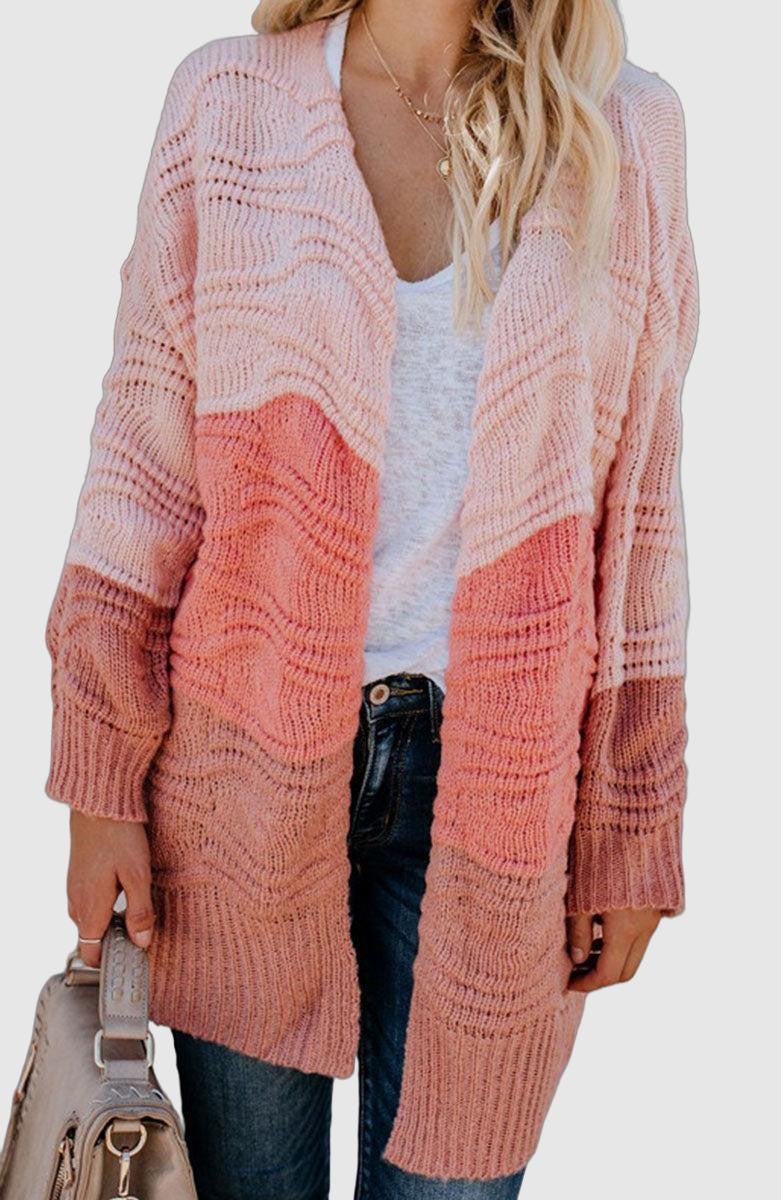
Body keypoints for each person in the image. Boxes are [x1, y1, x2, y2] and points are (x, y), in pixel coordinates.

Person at [47, 1, 699, 1196]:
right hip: (239, 777)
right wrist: (100, 783)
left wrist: (631, 821)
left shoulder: (622, 128)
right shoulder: (227, 105)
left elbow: (640, 510)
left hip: (501, 798)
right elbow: (143, 468)